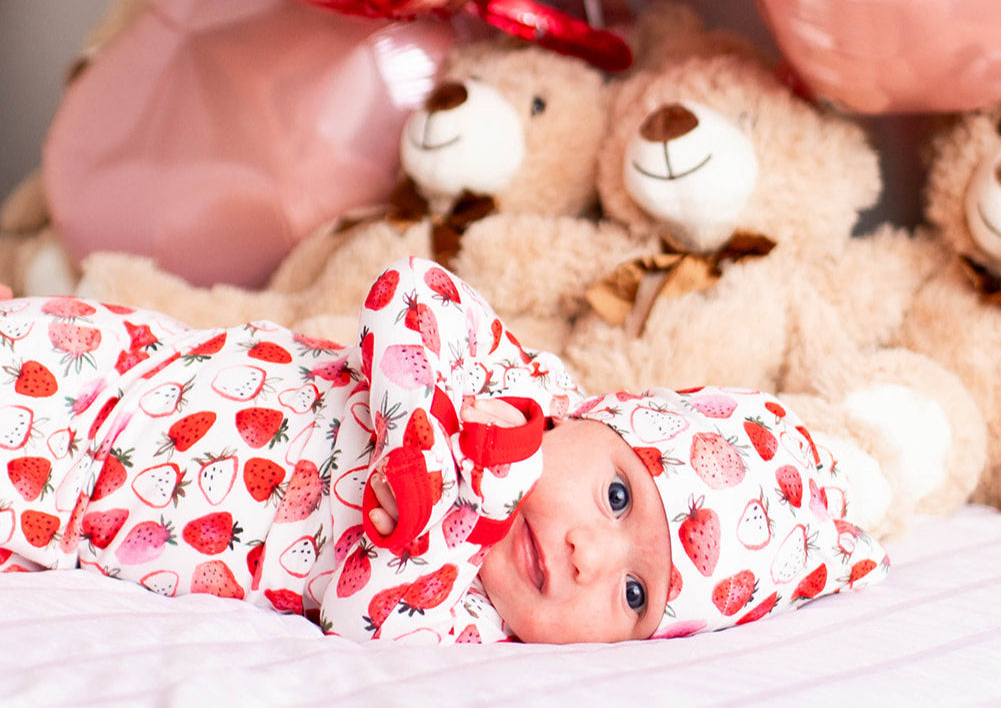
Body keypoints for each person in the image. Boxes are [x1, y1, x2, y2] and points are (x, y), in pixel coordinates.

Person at [0, 258, 886, 643]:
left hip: (64, 498)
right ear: (593, 417)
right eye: (617, 498)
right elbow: (405, 292)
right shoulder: (515, 386)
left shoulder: (466, 614)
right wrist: (416, 437)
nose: (587, 553)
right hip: (119, 367)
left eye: (633, 591)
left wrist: (449, 522)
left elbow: (355, 610)